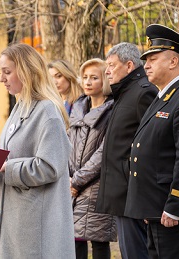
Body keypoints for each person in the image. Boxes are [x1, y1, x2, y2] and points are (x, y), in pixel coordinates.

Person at [0, 43, 75, 259]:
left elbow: (49, 167)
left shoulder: (47, 112)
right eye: (1, 72)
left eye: (7, 72)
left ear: (27, 71)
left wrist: (3, 167)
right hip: (12, 219)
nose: (2, 79)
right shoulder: (19, 108)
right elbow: (9, 161)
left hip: (35, 226)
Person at [124, 24, 179, 259]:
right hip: (156, 208)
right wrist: (147, 204)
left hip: (175, 213)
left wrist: (175, 206)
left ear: (173, 61)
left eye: (153, 58)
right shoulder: (164, 96)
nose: (147, 65)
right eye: (146, 59)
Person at [95, 42, 158, 259]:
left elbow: (151, 147)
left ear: (129, 65)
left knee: (136, 253)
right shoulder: (124, 92)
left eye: (112, 65)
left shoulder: (143, 93)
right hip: (122, 193)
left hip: (132, 193)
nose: (107, 70)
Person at [68, 58, 116, 259]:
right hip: (71, 182)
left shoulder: (113, 109)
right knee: (74, 237)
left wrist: (78, 180)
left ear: (105, 80)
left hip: (98, 185)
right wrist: (68, 178)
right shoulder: (78, 107)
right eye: (85, 77)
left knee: (98, 239)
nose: (87, 82)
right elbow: (69, 143)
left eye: (94, 78)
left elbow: (104, 153)